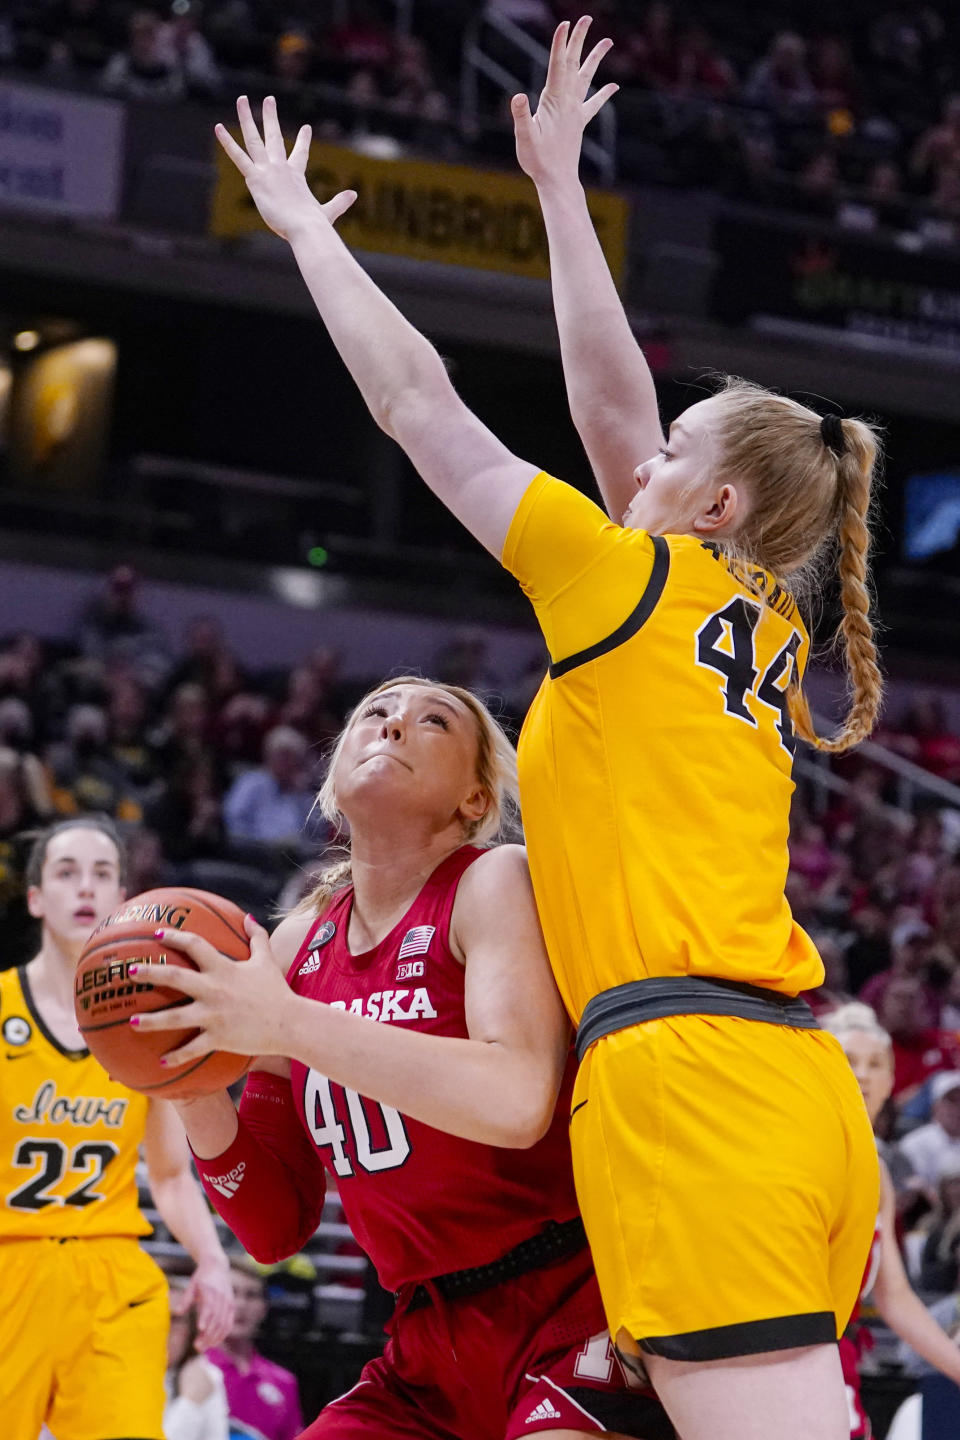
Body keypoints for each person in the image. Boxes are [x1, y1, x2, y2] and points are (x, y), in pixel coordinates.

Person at [207, 18, 881, 1436]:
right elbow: (613, 404)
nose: (640, 456)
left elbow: (414, 402)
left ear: (713, 507)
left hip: (696, 1089)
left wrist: (305, 234)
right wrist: (562, 192)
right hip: (779, 1083)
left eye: (677, 457)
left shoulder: (629, 587)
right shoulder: (743, 613)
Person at [131, 676, 674, 1440]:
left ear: (475, 801)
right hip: (424, 1339)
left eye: (434, 721)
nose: (393, 725)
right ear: (331, 782)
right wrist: (186, 1080)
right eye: (374, 713)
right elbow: (275, 1227)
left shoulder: (492, 880)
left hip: (571, 1303)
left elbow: (516, 1101)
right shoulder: (295, 947)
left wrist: (286, 1022)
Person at [0, 816, 234, 1440]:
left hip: (110, 1278)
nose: (85, 888)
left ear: (122, 899)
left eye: (102, 875)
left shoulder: (149, 1027)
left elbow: (168, 1173)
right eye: (66, 873)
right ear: (34, 897)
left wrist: (210, 1262)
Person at [823, 1004, 960, 1438]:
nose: (862, 1074)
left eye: (875, 1064)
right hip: (775, 1351)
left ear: (890, 1080)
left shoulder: (877, 1167)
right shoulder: (794, 1149)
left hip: (835, 1356)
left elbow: (894, 1296)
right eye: (848, 1060)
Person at [207, 1256, 303, 1440]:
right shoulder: (192, 1369)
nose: (241, 1304)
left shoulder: (284, 1383)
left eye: (251, 1295)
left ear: (263, 1309)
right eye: (232, 1292)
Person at [166, 1272, 230, 1440]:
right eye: (157, 1317)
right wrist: (190, 1403)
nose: (165, 1328)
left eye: (175, 1319)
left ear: (192, 1329)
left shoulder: (208, 1376)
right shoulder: (115, 1377)